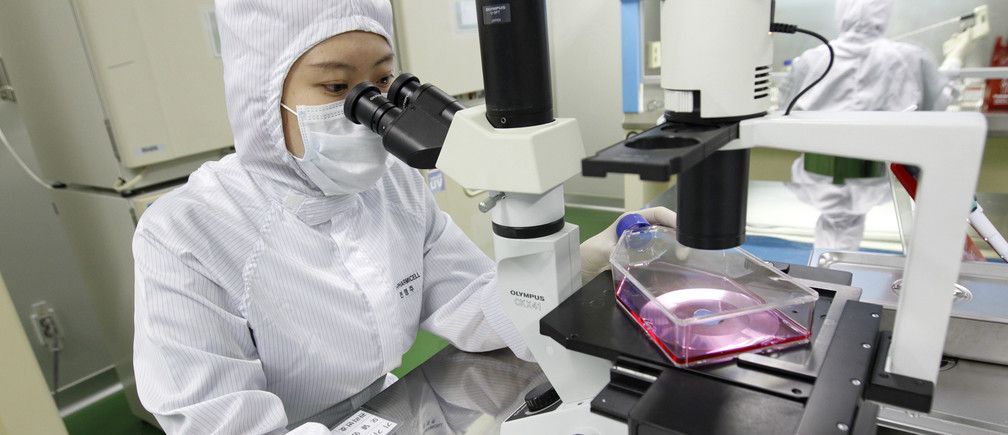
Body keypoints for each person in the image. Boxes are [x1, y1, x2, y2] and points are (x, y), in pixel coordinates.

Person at [131, 1, 676, 433]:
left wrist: (585, 260)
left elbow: (473, 305)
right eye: (337, 87)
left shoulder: (393, 188)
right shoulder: (187, 231)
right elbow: (218, 421)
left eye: (382, 83)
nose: (369, 107)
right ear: (262, 97)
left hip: (384, 407)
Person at [780, 0, 952, 250]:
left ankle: (827, 268)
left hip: (817, 177)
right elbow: (938, 106)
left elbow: (784, 110)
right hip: (875, 179)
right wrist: (956, 59)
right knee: (841, 247)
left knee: (833, 250)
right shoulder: (909, 58)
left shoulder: (812, 59)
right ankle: (835, 267)